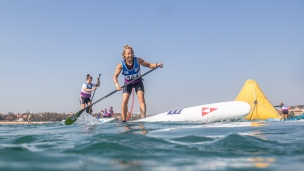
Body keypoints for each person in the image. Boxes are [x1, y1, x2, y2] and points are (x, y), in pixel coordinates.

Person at [113, 44, 163, 122]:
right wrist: (117, 85)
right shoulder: (120, 65)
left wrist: (157, 65)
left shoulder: (138, 60)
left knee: (141, 98)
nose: (130, 55)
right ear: (124, 55)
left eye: (131, 53)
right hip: (127, 84)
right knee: (124, 100)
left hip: (138, 82)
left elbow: (149, 65)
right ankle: (123, 120)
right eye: (128, 54)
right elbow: (115, 77)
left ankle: (143, 119)